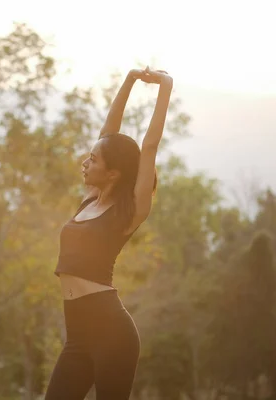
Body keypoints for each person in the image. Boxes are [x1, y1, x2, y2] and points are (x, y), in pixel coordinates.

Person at [45, 67, 174, 400]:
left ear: (113, 173)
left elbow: (149, 146)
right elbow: (108, 133)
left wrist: (165, 87)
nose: (85, 163)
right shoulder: (89, 199)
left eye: (93, 159)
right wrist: (129, 80)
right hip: (77, 336)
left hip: (112, 333)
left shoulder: (129, 212)